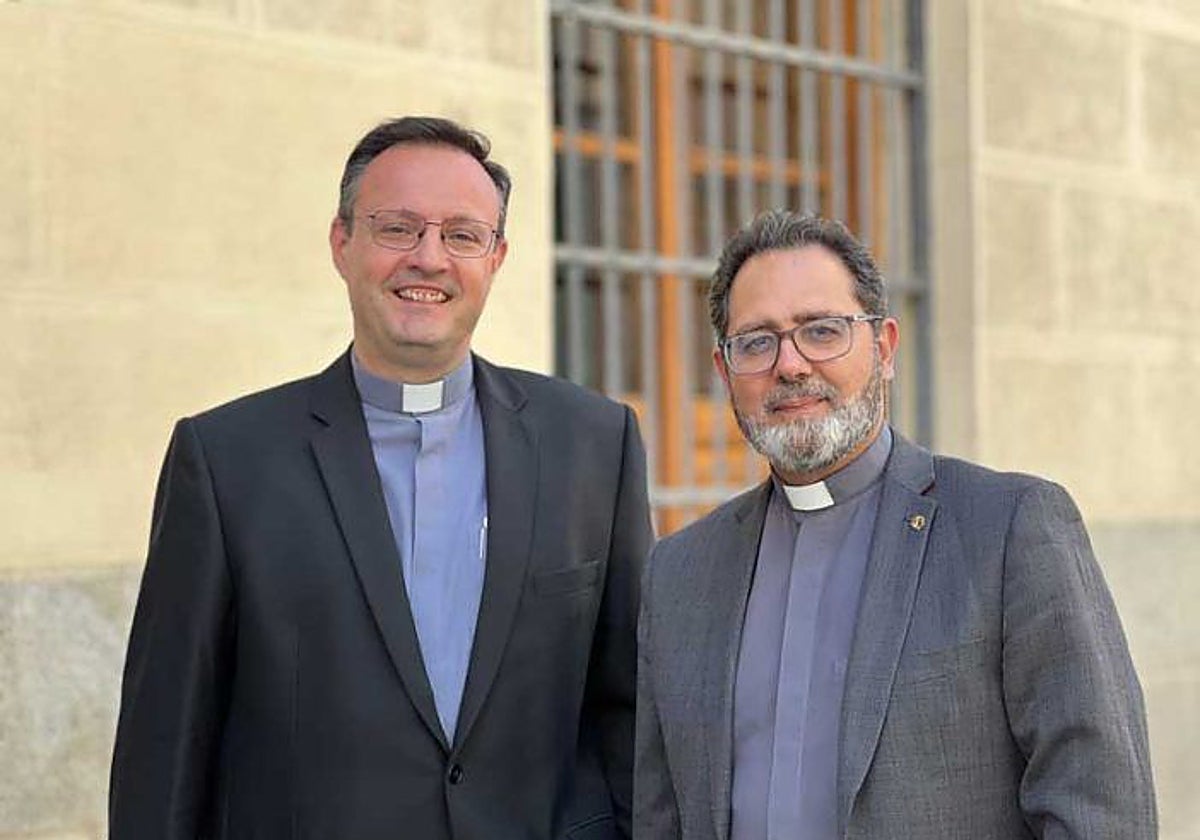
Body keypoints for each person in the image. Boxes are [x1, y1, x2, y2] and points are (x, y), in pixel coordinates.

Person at [110, 116, 653, 840]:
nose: (429, 258)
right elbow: (165, 751)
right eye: (398, 228)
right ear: (342, 244)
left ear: (496, 258)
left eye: (462, 235)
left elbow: (632, 712)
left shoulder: (594, 443)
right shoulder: (225, 462)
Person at [633, 211, 1156, 839]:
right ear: (725, 373)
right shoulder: (680, 573)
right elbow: (660, 821)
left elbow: (1099, 810)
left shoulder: (1008, 529)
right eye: (757, 341)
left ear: (883, 348)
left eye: (822, 331)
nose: (791, 364)